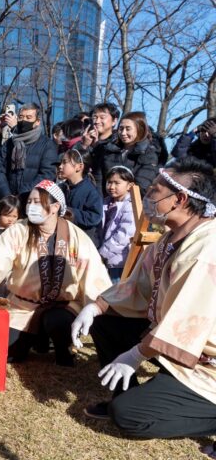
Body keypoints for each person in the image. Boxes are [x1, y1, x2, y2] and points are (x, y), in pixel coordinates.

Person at [73, 158, 216, 438]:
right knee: (106, 322)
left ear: (180, 199)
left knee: (128, 415)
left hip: (205, 363)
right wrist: (96, 306)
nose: (147, 197)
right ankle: (127, 391)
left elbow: (186, 320)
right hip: (172, 341)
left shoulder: (206, 249)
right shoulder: (169, 239)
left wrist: (136, 354)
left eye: (154, 192)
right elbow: (137, 286)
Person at [0, 180, 111, 366]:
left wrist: (99, 306)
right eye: (29, 202)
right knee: (9, 354)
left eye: (37, 202)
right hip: (23, 306)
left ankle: (63, 348)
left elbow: (93, 273)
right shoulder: (20, 230)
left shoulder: (76, 236)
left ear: (55, 207)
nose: (31, 206)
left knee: (58, 321)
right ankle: (32, 340)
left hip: (63, 306)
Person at [0, 103, 59, 200]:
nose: (24, 120)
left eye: (28, 117)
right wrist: (7, 196)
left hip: (32, 200)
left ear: (37, 121)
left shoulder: (47, 145)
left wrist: (22, 195)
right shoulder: (9, 143)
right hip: (8, 201)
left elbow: (47, 175)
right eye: (21, 117)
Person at [91, 112, 161, 195]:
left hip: (131, 204)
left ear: (140, 129)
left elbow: (142, 185)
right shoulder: (108, 150)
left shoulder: (148, 154)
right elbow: (98, 179)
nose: (123, 133)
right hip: (105, 202)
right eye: (121, 128)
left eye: (128, 129)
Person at [98, 166, 136, 282]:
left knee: (115, 292)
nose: (112, 187)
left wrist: (103, 253)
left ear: (129, 186)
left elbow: (123, 235)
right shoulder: (105, 202)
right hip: (103, 257)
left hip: (119, 261)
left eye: (117, 183)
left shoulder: (131, 206)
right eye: (109, 182)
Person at [57, 149, 103, 242]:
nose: (60, 166)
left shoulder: (91, 191)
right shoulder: (62, 187)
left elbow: (94, 217)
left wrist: (69, 212)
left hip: (82, 240)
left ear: (79, 167)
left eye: (65, 162)